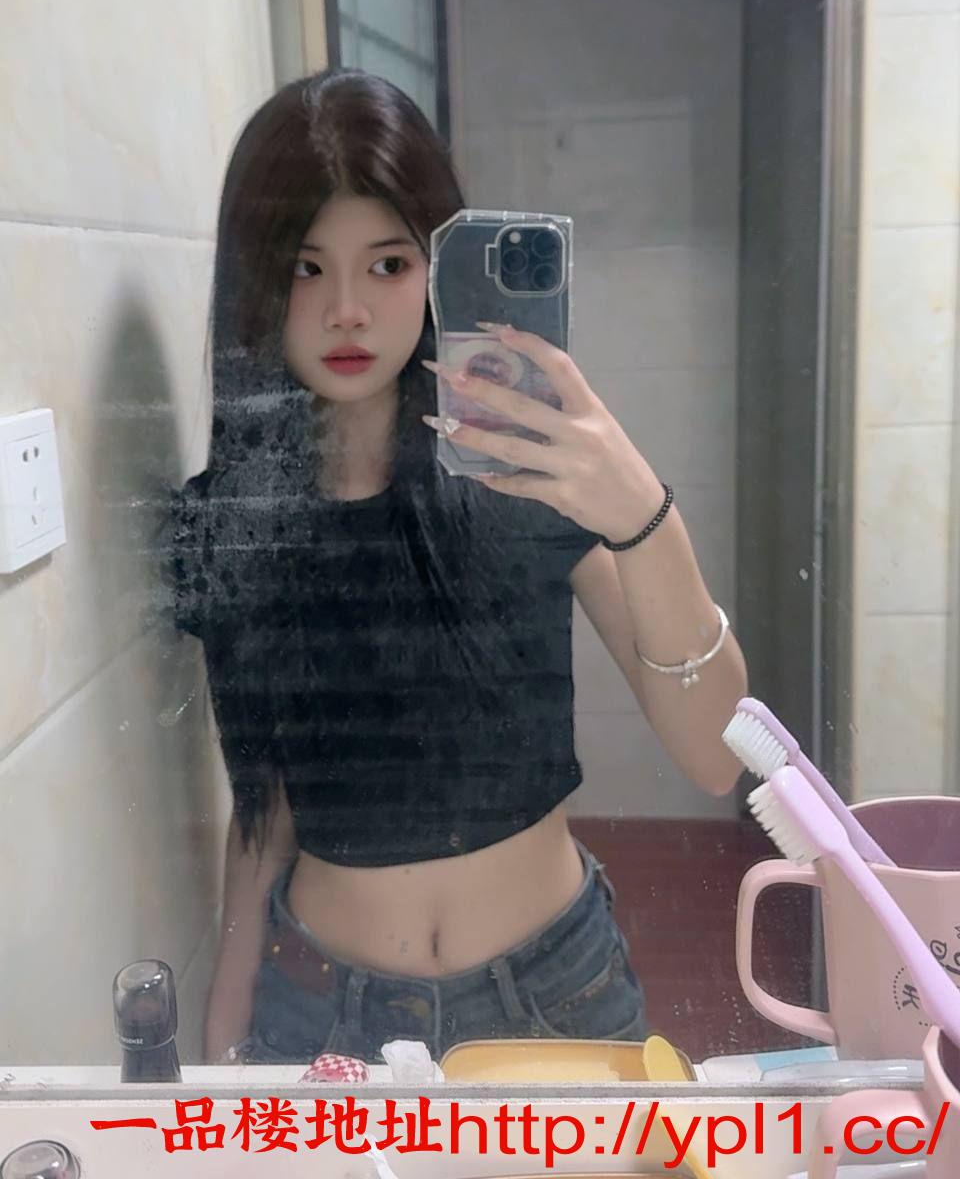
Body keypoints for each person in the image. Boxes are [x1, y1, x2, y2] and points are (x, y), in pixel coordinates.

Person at [167, 69, 747, 1065]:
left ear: (437, 266)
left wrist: (643, 518)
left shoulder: (524, 468)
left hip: (554, 991)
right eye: (306, 268)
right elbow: (264, 800)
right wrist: (224, 1020)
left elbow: (716, 757)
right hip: (323, 1014)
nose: (347, 310)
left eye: (388, 264)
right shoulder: (228, 516)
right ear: (256, 282)